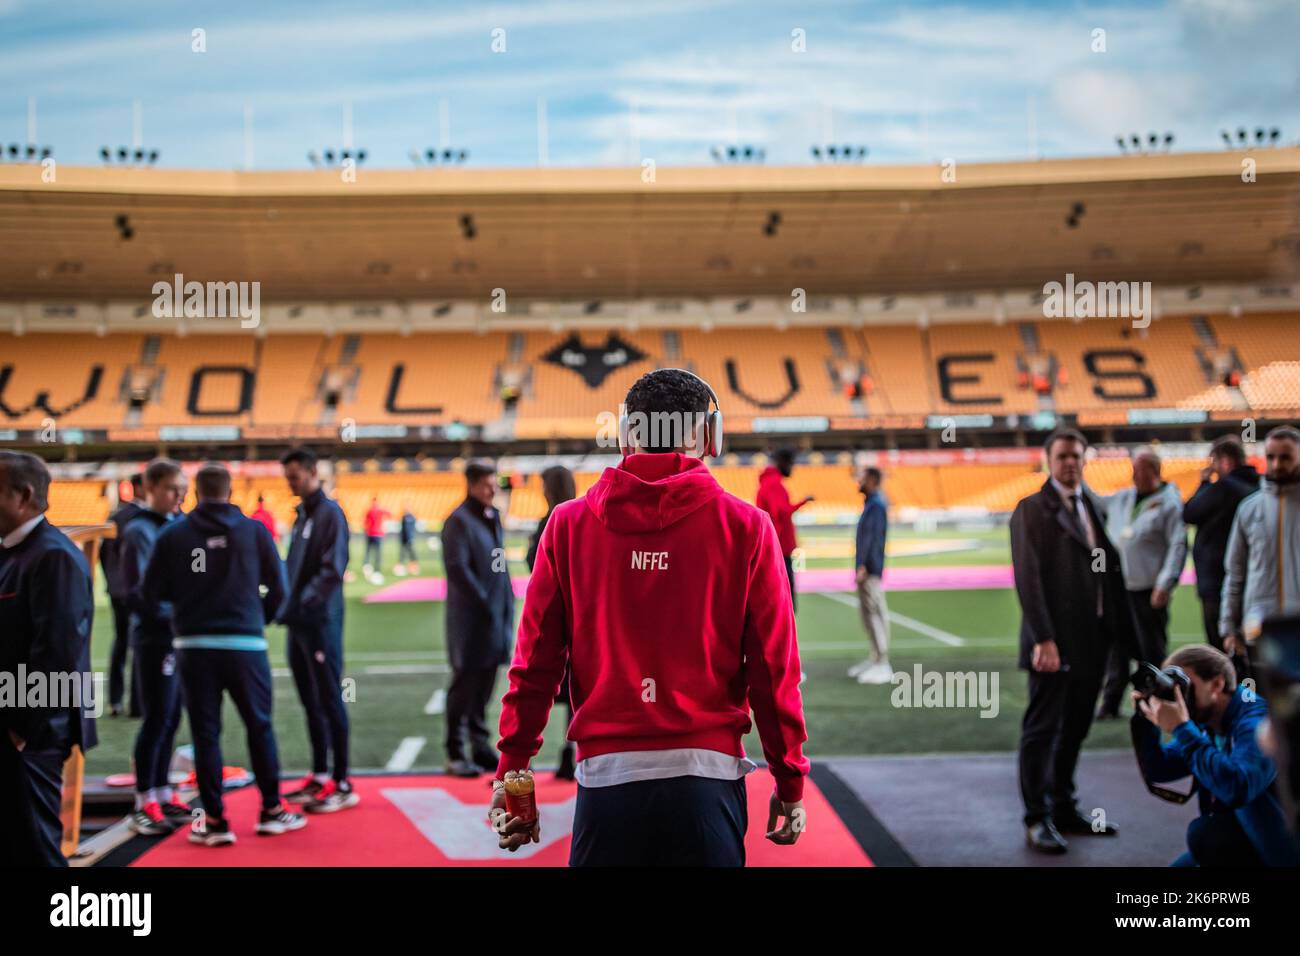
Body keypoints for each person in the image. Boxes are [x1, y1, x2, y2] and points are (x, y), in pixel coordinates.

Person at [492, 368, 809, 866]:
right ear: (710, 436)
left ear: (626, 434)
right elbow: (773, 670)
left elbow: (534, 664)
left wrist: (513, 773)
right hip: (708, 778)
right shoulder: (749, 526)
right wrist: (789, 779)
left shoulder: (568, 525)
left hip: (606, 783)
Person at [141, 463, 304, 845]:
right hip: (246, 646)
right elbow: (280, 591)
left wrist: (183, 621)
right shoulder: (255, 531)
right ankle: (271, 811)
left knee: (206, 733)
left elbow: (149, 596)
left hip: (194, 649)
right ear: (231, 492)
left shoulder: (173, 534)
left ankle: (215, 821)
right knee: (260, 725)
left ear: (196, 492)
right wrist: (255, 622)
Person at [1011, 429, 1136, 854]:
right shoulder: (1031, 509)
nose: (1070, 463)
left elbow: (1108, 574)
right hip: (1053, 644)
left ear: (1086, 460)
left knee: (1076, 728)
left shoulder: (1094, 506)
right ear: (1049, 460)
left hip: (1092, 641)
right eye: (1063, 455)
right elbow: (1028, 579)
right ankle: (1036, 817)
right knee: (1043, 730)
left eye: (1076, 456)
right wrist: (1043, 638)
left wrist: (1127, 641)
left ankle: (1063, 807)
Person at [0, 451, 97, 867]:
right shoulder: (14, 551)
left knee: (36, 848)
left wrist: (23, 730)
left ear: (22, 496)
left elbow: (57, 653)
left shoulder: (52, 555)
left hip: (32, 734)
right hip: (17, 725)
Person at [1132, 644, 1300, 867]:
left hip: (1282, 844)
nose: (1180, 697)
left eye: (1185, 686)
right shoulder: (1208, 723)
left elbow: (1238, 787)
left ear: (1217, 684)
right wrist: (1146, 721)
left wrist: (1182, 728)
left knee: (1207, 836)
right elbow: (1159, 768)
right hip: (1245, 835)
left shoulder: (1256, 720)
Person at [278, 447, 357, 812]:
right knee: (310, 701)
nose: (290, 483)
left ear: (312, 471)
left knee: (329, 698)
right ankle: (321, 773)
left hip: (320, 622)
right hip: (299, 624)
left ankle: (341, 781)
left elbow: (331, 570)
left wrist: (303, 605)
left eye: (294, 476)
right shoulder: (303, 515)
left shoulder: (329, 514)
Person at [120, 458, 189, 835]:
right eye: (170, 488)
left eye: (182, 487)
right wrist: (180, 612)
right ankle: (143, 799)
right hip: (155, 636)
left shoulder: (177, 525)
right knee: (157, 717)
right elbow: (137, 594)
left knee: (172, 716)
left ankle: (162, 791)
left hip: (177, 634)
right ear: (150, 488)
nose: (178, 494)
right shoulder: (139, 532)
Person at [1093, 447, 1188, 719]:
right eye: (1133, 469)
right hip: (1119, 587)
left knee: (1151, 650)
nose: (1134, 475)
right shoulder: (1124, 498)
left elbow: (1177, 546)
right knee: (1117, 649)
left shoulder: (1170, 503)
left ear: (1154, 471)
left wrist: (1165, 583)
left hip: (1148, 589)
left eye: (1139, 470)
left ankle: (1159, 702)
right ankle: (1110, 704)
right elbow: (1097, 503)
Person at [442, 460, 514, 777]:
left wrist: (505, 599)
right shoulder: (457, 521)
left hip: (495, 614)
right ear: (471, 485)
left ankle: (481, 747)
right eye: (486, 484)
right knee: (464, 683)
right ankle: (455, 751)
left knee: (486, 681)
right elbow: (458, 569)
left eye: (493, 483)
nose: (492, 489)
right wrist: (483, 602)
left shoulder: (492, 516)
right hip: (471, 619)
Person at [1221, 426, 1300, 663]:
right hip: (1261, 630)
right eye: (1271, 457)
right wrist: (1229, 627)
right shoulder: (1248, 508)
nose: (1277, 464)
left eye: (1285, 457)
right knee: (1263, 700)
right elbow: (1235, 573)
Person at [525, 465, 578, 780]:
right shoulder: (576, 519)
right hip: (575, 618)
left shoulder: (554, 521)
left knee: (536, 686)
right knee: (574, 691)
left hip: (550, 618)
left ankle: (526, 757)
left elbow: (535, 565)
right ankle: (569, 755)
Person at [1183, 436, 1260, 653]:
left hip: (1218, 580)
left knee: (1220, 652)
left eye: (1214, 461)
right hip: (1254, 579)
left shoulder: (1224, 487)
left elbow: (1189, 513)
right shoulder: (1260, 486)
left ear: (1224, 461)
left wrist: (1204, 483)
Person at [101, 473, 144, 717]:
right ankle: (137, 702)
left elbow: (103, 556)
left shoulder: (116, 517)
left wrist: (112, 584)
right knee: (137, 642)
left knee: (121, 642)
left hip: (119, 590)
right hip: (136, 591)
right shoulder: (141, 517)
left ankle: (116, 700)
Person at [755, 448, 814, 612]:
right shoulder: (774, 484)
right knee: (785, 603)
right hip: (779, 548)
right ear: (783, 462)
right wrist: (804, 502)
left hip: (775, 547)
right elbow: (781, 512)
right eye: (791, 464)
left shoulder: (768, 482)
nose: (792, 468)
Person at [850, 466, 891, 684]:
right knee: (868, 614)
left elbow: (873, 539)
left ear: (873, 480)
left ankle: (883, 662)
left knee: (875, 613)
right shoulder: (871, 504)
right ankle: (875, 658)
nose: (859, 482)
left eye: (863, 479)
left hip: (870, 569)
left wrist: (864, 566)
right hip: (867, 568)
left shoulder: (876, 505)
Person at [363, 497, 390, 579]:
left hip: (371, 533)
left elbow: (365, 522)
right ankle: (376, 570)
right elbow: (389, 514)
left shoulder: (370, 510)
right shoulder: (380, 510)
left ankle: (368, 568)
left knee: (369, 552)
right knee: (377, 553)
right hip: (377, 534)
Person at [396, 504, 419, 576]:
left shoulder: (410, 517)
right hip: (404, 539)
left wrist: (410, 538)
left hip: (409, 539)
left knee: (411, 554)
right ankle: (402, 567)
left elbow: (410, 529)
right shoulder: (405, 517)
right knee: (403, 554)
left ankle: (413, 568)